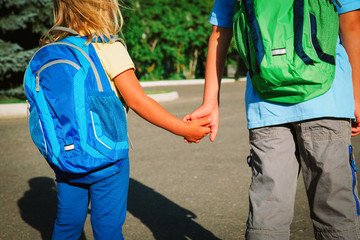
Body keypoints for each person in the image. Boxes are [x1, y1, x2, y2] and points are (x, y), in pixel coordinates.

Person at [184, 0, 360, 239]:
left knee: (267, 208)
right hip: (326, 99)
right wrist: (356, 96)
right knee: (334, 207)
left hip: (265, 103)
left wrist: (210, 101)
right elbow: (352, 23)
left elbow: (220, 30)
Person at [42, 0, 211, 239]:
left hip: (66, 157)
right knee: (107, 227)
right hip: (108, 158)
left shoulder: (56, 50)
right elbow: (138, 101)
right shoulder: (108, 48)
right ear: (107, 8)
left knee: (67, 224)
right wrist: (184, 129)